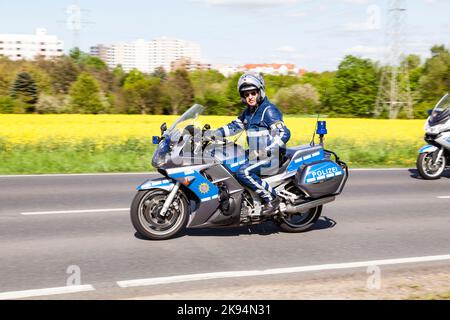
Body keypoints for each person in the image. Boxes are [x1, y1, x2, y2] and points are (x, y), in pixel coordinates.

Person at [207, 72, 291, 216]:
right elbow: (234, 127)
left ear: (260, 92)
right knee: (228, 164)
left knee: (243, 172)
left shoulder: (268, 111)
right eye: (246, 94)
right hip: (255, 154)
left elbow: (284, 133)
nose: (250, 97)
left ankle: (271, 198)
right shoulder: (249, 112)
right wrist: (212, 134)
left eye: (253, 93)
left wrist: (267, 150)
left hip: (271, 156)